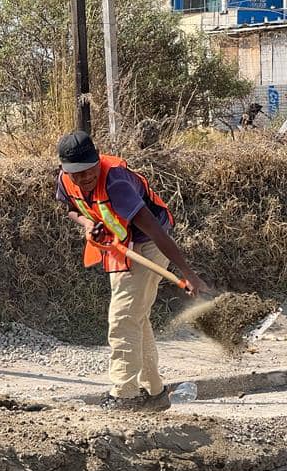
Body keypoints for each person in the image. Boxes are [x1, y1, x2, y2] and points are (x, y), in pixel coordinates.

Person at [55, 131, 210, 411]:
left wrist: (187, 271)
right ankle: (155, 392)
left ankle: (124, 395)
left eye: (90, 169)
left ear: (97, 159)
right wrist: (88, 224)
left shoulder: (115, 181)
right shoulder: (66, 181)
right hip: (121, 245)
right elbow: (70, 208)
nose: (86, 177)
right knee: (135, 316)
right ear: (66, 170)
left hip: (150, 242)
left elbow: (155, 230)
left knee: (123, 317)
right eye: (78, 173)